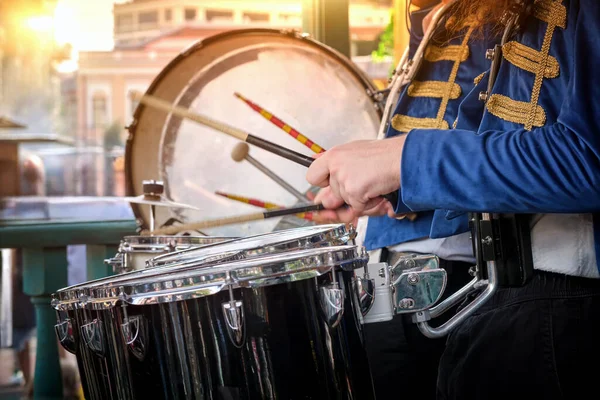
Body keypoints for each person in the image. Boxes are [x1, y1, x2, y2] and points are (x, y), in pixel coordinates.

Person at [307, 0, 600, 399]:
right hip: (457, 298)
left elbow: (586, 159)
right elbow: (489, 140)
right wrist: (400, 188)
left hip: (542, 299)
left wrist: (405, 160)